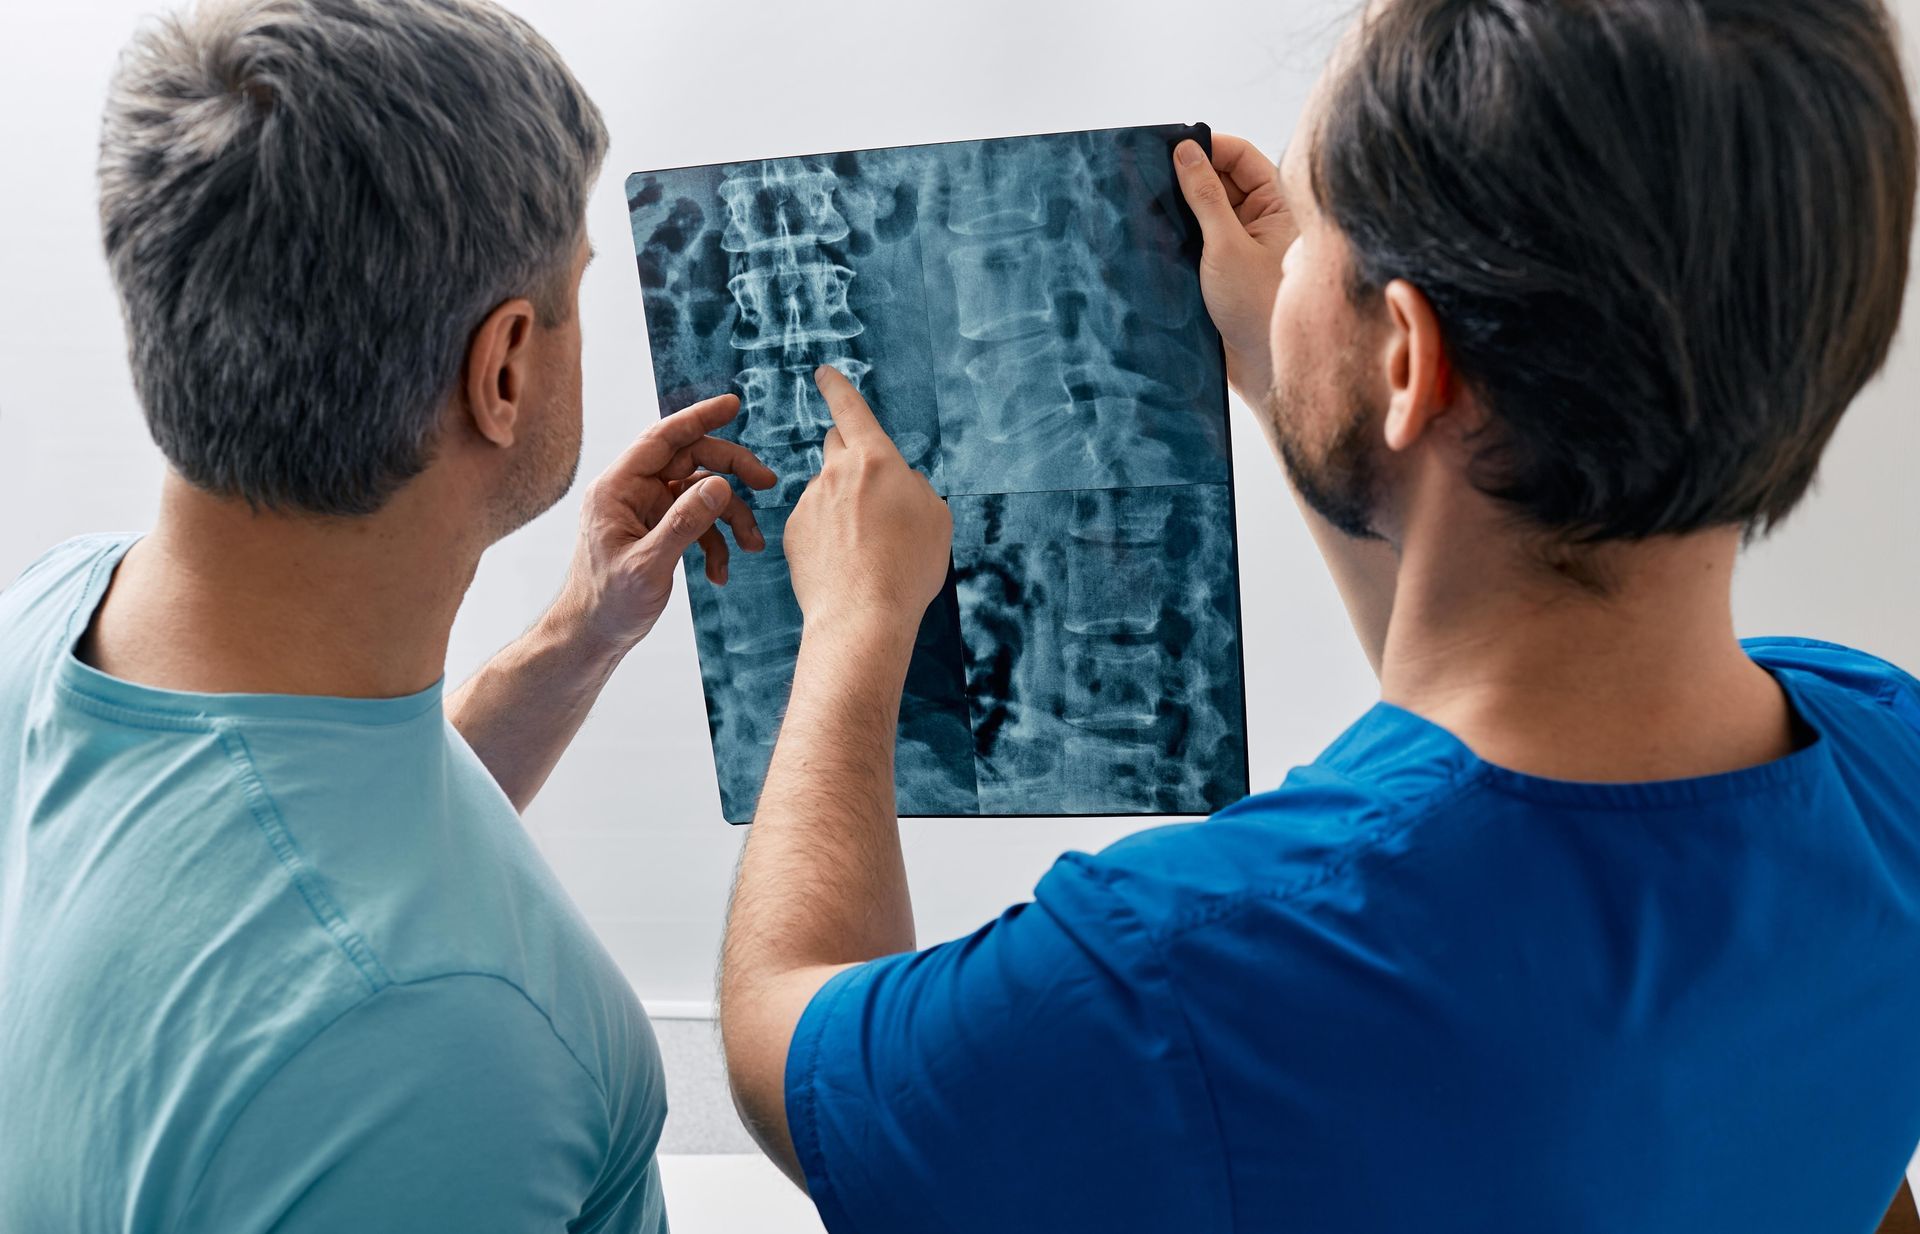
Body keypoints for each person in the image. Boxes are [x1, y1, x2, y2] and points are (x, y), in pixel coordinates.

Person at [717, 0, 1920, 1230]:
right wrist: (1299, 372)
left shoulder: (1177, 969)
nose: (1287, 274)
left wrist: (856, 626)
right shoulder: (1890, 756)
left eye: (1317, 250)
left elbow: (780, 1040)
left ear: (1410, 359)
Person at [0, 0, 775, 1229]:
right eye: (578, 288)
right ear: (504, 368)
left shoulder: (50, 618)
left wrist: (576, 639)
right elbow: (345, 947)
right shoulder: (439, 1038)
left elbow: (285, 843)